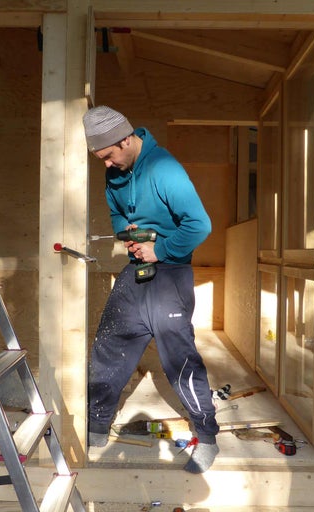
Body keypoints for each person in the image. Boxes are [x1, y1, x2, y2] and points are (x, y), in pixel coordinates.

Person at [82, 105, 220, 473]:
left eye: (109, 155)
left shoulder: (164, 169)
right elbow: (115, 214)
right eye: (101, 159)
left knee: (179, 357)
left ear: (126, 140)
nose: (107, 165)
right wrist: (126, 234)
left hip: (171, 272)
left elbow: (199, 225)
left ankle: (207, 436)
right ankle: (96, 425)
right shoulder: (115, 170)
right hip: (137, 270)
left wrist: (159, 249)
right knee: (109, 344)